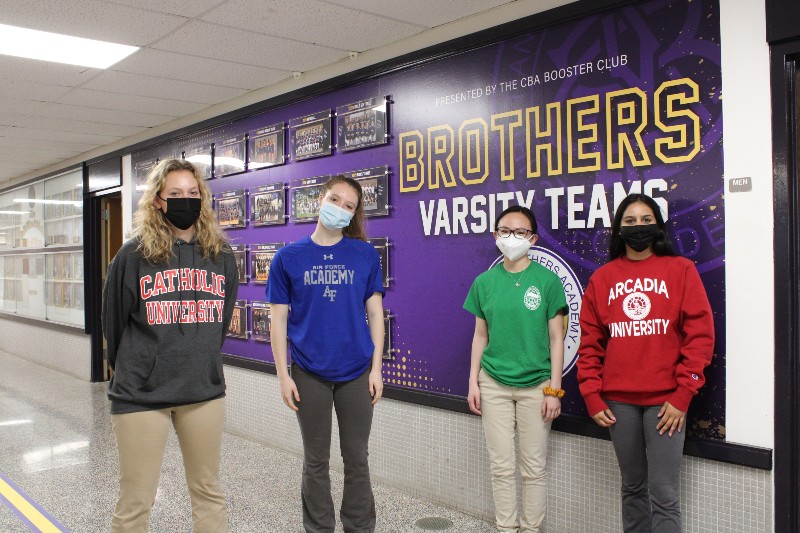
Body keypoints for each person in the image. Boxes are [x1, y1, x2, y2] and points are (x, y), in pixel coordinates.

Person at [102, 158, 238, 533]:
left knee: (209, 492)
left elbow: (220, 323)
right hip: (141, 394)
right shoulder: (132, 256)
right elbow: (113, 324)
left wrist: (200, 357)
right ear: (158, 200)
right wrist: (141, 365)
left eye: (193, 193)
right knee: (136, 501)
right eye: (175, 193)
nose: (186, 200)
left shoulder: (222, 257)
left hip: (203, 390)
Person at [576, 193, 714, 533]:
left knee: (664, 493)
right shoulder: (603, 278)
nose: (639, 227)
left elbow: (700, 337)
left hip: (666, 403)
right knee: (632, 487)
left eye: (646, 220)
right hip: (618, 402)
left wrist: (683, 395)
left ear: (658, 225)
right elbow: (590, 343)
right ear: (619, 230)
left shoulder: (681, 270)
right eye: (630, 221)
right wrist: (592, 395)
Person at [267, 175, 385, 533]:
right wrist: (283, 376)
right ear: (320, 199)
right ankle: (319, 528)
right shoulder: (288, 258)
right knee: (315, 460)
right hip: (308, 372)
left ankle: (359, 527)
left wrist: (376, 369)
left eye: (349, 206)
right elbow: (277, 321)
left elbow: (376, 314)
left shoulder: (365, 254)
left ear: (354, 214)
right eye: (335, 200)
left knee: (357, 459)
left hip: (356, 372)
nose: (340, 209)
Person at [463, 205, 567, 533]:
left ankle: (530, 529)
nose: (512, 237)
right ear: (495, 235)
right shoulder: (484, 282)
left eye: (520, 232)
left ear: (533, 239)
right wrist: (473, 383)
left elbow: (556, 340)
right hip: (492, 383)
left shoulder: (548, 282)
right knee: (501, 467)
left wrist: (554, 390)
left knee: (533, 469)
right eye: (505, 231)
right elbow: (480, 335)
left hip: (537, 385)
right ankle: (505, 529)